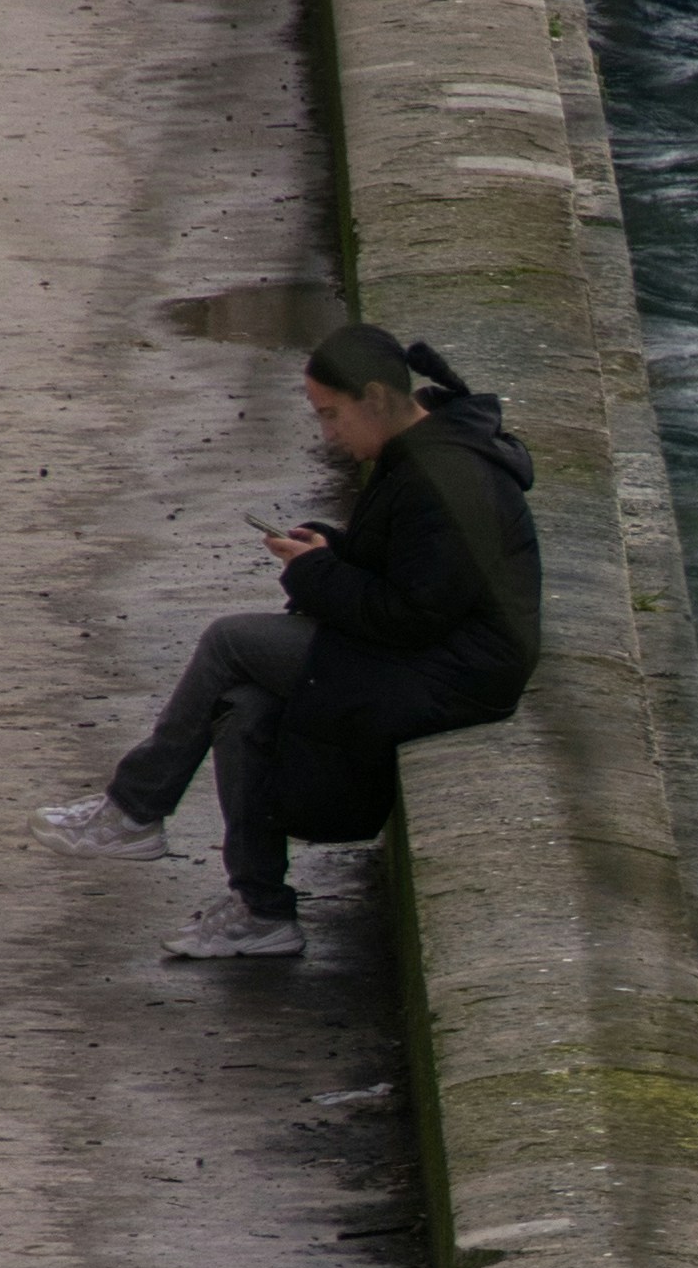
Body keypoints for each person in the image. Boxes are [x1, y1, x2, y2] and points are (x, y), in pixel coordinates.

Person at [36, 322, 542, 958]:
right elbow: (406, 573)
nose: (328, 435)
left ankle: (134, 811)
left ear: (377, 397)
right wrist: (330, 549)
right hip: (430, 652)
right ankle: (261, 910)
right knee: (244, 706)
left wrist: (315, 572)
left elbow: (412, 615)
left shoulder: (452, 475)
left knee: (229, 642)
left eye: (332, 416)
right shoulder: (418, 455)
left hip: (457, 673)